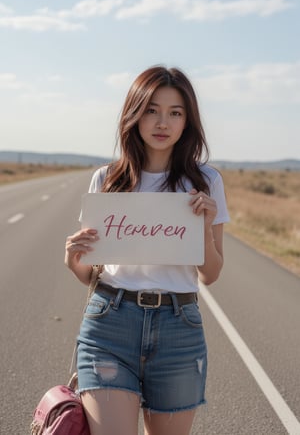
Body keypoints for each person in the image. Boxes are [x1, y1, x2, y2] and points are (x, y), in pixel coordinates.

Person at [65, 65, 229, 435]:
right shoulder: (107, 179)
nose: (162, 122)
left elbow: (211, 274)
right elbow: (91, 274)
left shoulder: (205, 182)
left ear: (188, 121)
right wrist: (73, 261)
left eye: (175, 112)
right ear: (135, 113)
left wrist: (203, 229)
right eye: (152, 109)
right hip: (110, 321)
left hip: (178, 326)